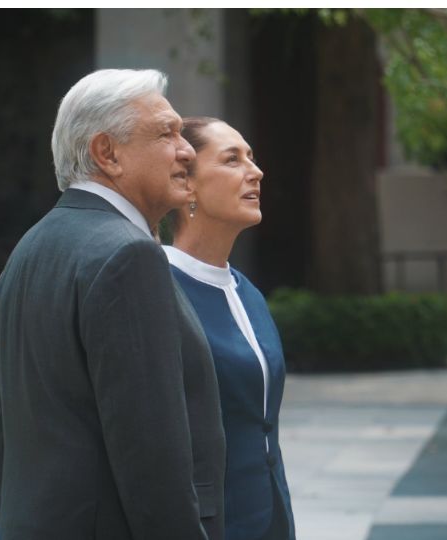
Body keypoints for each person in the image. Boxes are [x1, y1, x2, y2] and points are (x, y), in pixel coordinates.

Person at [0, 69, 225, 540]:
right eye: (166, 133)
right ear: (106, 153)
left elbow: (4, 437)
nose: (187, 150)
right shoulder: (128, 255)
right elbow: (151, 457)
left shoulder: (29, 249)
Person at [163, 117, 295, 540]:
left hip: (270, 515)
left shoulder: (249, 293)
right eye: (232, 160)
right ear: (188, 185)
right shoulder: (157, 291)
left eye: (252, 158)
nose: (255, 172)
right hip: (208, 524)